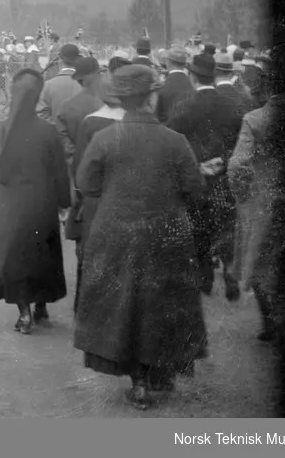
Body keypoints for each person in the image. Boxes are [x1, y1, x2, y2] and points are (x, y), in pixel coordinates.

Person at [73, 64, 208, 409]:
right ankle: (157, 372)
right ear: (150, 97)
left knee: (126, 306)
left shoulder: (104, 138)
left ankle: (139, 382)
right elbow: (195, 189)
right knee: (160, 304)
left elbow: (86, 184)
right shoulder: (174, 141)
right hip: (166, 233)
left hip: (116, 233)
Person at [0, 67, 70, 335]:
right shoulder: (49, 132)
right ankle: (41, 307)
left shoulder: (2, 130)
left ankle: (24, 313)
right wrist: (64, 201)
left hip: (11, 207)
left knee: (14, 260)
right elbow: (60, 171)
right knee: (42, 256)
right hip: (42, 205)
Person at [166, 52, 248, 300]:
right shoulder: (233, 105)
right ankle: (231, 276)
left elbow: (172, 139)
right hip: (224, 174)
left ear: (192, 76)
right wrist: (224, 160)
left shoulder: (184, 105)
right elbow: (240, 141)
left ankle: (204, 278)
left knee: (199, 228)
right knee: (226, 226)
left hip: (196, 175)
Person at [66, 57, 129, 313]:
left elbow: (80, 168)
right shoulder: (133, 122)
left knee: (89, 252)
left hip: (95, 200)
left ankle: (85, 304)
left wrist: (80, 197)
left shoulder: (91, 122)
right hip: (125, 199)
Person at [227, 75, 281, 342]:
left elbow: (238, 165)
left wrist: (242, 196)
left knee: (261, 262)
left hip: (264, 200)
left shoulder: (255, 119)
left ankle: (271, 323)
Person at [37, 43, 82, 122]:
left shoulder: (48, 85)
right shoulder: (85, 85)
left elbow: (41, 115)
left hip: (53, 132)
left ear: (60, 59)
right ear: (78, 60)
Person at [156, 48, 194, 123]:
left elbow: (157, 115)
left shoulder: (162, 85)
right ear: (184, 64)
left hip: (167, 130)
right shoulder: (193, 84)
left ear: (168, 62)